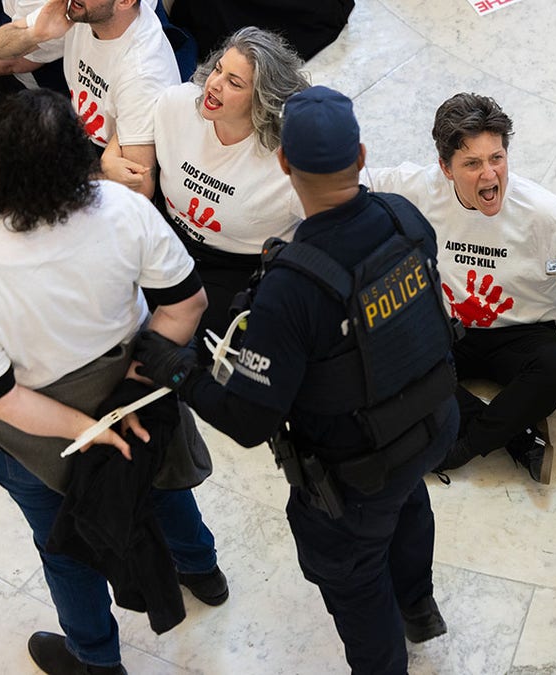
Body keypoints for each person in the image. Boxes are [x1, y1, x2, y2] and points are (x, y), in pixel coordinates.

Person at [134, 85, 460, 674]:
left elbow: (248, 419)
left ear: (284, 164)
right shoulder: (404, 216)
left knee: (356, 582)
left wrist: (172, 364)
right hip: (433, 424)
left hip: (356, 470)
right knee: (409, 503)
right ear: (360, 155)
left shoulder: (294, 286)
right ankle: (417, 606)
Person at [0, 89, 224, 675]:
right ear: (78, 159)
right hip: (131, 391)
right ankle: (203, 572)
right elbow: (187, 304)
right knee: (164, 487)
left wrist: (87, 429)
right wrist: (131, 392)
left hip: (38, 434)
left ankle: (94, 658)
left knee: (65, 543)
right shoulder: (123, 207)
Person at [367, 92, 556, 483]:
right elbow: (351, 182)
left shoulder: (545, 211)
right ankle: (515, 440)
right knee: (379, 349)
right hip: (447, 328)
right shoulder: (419, 186)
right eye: (472, 164)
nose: (489, 175)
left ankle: (459, 448)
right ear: (445, 167)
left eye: (496, 159)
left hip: (523, 336)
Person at [152, 26, 309, 355]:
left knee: (186, 353)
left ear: (262, 100)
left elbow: (340, 218)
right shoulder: (177, 104)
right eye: (218, 69)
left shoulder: (289, 160)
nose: (214, 84)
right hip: (164, 236)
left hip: (234, 269)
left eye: (234, 83)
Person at [0, 0, 179, 198]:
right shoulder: (81, 11)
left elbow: (140, 190)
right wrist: (36, 34)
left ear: (124, 2)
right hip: (77, 140)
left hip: (96, 167)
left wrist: (93, 170)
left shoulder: (142, 73)